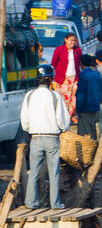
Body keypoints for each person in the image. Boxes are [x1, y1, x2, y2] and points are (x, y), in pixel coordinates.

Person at [21, 65, 70, 210]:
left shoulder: (29, 96)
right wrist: (62, 129)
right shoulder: (55, 96)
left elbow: (25, 120)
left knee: (34, 171)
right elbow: (63, 121)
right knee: (54, 172)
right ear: (50, 79)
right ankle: (55, 203)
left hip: (35, 138)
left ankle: (31, 202)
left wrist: (31, 129)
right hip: (52, 138)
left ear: (38, 79)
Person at [51, 32, 80, 123]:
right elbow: (53, 63)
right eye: (71, 40)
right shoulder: (59, 50)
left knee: (73, 98)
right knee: (62, 99)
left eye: (74, 40)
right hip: (61, 79)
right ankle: (61, 117)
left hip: (74, 78)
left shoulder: (77, 50)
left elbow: (79, 63)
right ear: (66, 40)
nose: (73, 42)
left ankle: (70, 115)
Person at [75, 54, 102, 139]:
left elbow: (81, 94)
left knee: (85, 135)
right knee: (93, 131)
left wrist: (78, 109)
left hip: (85, 109)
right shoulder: (96, 74)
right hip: (95, 107)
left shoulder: (83, 75)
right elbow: (101, 91)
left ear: (81, 64)